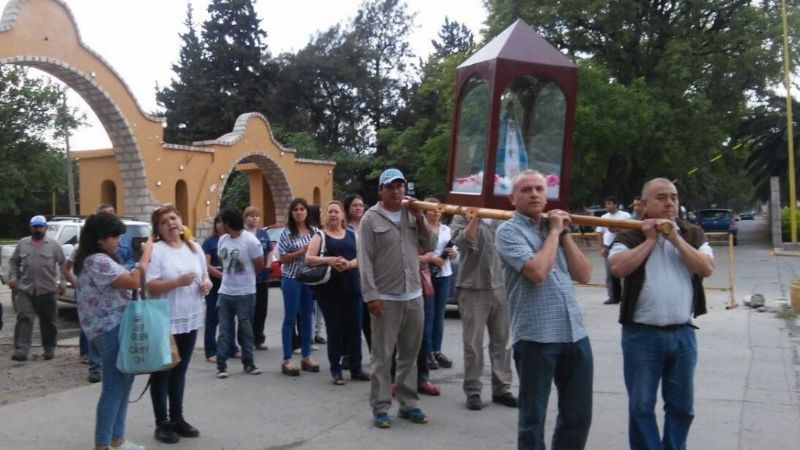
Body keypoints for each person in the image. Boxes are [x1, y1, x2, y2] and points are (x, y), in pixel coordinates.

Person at [609, 178, 715, 450]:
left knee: (682, 408)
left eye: (674, 197)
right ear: (644, 205)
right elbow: (618, 268)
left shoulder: (691, 234)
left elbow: (706, 268)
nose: (670, 203)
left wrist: (675, 238)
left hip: (682, 335)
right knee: (641, 407)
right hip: (642, 336)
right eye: (661, 197)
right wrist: (650, 240)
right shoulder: (629, 235)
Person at [495, 170, 594, 449]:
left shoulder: (556, 230)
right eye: (526, 190)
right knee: (532, 418)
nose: (535, 194)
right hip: (536, 337)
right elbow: (537, 272)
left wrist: (564, 234)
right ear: (513, 198)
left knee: (577, 415)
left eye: (539, 189)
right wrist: (553, 232)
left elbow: (584, 274)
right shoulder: (508, 232)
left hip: (574, 334)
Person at [358, 168, 436, 429]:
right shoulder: (370, 218)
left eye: (400, 186)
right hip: (385, 297)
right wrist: (371, 295)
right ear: (381, 190)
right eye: (390, 186)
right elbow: (365, 260)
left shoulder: (412, 214)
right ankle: (380, 407)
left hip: (413, 295)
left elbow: (431, 245)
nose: (396, 191)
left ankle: (409, 404)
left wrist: (421, 218)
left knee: (410, 355)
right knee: (382, 356)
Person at [74, 212, 151, 450]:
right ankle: (103, 444)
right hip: (110, 330)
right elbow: (133, 281)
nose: (119, 239)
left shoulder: (96, 259)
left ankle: (117, 440)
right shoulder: (98, 260)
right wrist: (146, 254)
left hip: (112, 328)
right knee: (113, 389)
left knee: (123, 385)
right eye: (114, 235)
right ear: (100, 238)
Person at [146, 204, 212, 444]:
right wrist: (176, 282)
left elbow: (204, 276)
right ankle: (161, 423)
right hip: (166, 319)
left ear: (181, 220)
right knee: (163, 372)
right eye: (164, 222)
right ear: (159, 230)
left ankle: (177, 418)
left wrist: (207, 285)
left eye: (173, 218)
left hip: (191, 315)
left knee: (180, 371)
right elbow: (150, 285)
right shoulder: (156, 250)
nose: (171, 224)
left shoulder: (194, 247)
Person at [451, 210, 516, 411]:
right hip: (472, 286)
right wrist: (476, 217)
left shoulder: (504, 214)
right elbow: (463, 243)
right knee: (473, 343)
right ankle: (473, 390)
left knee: (502, 341)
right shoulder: (462, 214)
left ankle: (502, 388)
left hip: (501, 285)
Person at [304, 200, 369, 385]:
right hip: (329, 291)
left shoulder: (352, 235)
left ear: (342, 215)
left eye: (336, 211)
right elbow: (308, 259)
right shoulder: (320, 236)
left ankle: (356, 368)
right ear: (326, 216)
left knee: (355, 329)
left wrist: (349, 264)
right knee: (335, 331)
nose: (333, 214)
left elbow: (362, 257)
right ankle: (336, 370)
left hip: (352, 288)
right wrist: (330, 260)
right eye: (330, 211)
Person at [215, 207, 266, 379]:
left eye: (222, 221)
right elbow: (223, 261)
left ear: (228, 223)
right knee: (224, 331)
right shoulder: (222, 240)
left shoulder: (250, 241)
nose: (220, 225)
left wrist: (246, 277)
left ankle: (249, 363)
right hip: (225, 292)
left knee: (246, 330)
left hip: (246, 293)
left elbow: (260, 264)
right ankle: (221, 365)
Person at [8, 215, 65, 361]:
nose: (38, 229)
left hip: (47, 290)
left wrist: (62, 282)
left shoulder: (54, 245)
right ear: (31, 227)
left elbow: (64, 265)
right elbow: (14, 261)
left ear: (45, 228)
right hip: (26, 289)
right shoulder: (23, 243)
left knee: (49, 321)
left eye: (40, 227)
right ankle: (21, 350)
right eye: (35, 227)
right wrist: (13, 277)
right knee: (24, 317)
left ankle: (49, 348)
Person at [277, 198, 320, 376]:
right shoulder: (286, 233)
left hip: (309, 279)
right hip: (291, 278)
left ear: (307, 212)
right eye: (295, 209)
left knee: (307, 317)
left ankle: (306, 356)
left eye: (302, 209)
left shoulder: (315, 232)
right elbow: (282, 258)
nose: (299, 212)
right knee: (290, 316)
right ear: (291, 213)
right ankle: (287, 358)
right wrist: (302, 252)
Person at [420, 197, 456, 370]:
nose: (436, 212)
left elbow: (455, 252)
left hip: (444, 273)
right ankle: (426, 352)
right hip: (427, 273)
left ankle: (436, 350)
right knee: (428, 314)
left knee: (439, 315)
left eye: (438, 209)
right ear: (425, 212)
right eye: (432, 209)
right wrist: (433, 258)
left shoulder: (446, 229)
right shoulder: (421, 229)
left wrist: (451, 253)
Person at [201, 214, 239, 363]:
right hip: (215, 282)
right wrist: (220, 275)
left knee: (230, 316)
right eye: (217, 222)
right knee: (212, 317)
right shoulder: (210, 242)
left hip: (230, 283)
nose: (219, 225)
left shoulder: (232, 240)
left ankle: (232, 347)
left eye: (222, 222)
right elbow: (206, 265)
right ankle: (211, 351)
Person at [342, 194, 369, 369]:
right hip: (351, 278)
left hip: (369, 279)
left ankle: (377, 356)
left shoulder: (368, 226)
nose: (358, 208)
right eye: (354, 205)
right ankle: (349, 355)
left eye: (360, 205)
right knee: (352, 321)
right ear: (348, 208)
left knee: (370, 322)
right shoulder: (345, 229)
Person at [243, 206, 273, 351]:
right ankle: (246, 340)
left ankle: (258, 338)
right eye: (251, 216)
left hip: (262, 278)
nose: (254, 218)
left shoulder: (263, 233)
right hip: (246, 278)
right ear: (245, 218)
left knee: (261, 309)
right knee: (248, 311)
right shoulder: (242, 234)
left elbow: (269, 251)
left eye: (256, 216)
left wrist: (267, 266)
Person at [596, 196, 631, 305]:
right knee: (610, 273)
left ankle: (626, 296)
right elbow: (599, 233)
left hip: (622, 245)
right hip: (608, 246)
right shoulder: (604, 217)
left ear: (616, 204)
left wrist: (617, 229)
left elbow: (631, 230)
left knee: (624, 272)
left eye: (610, 203)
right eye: (606, 204)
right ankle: (613, 296)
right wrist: (601, 247)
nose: (608, 206)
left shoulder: (625, 216)